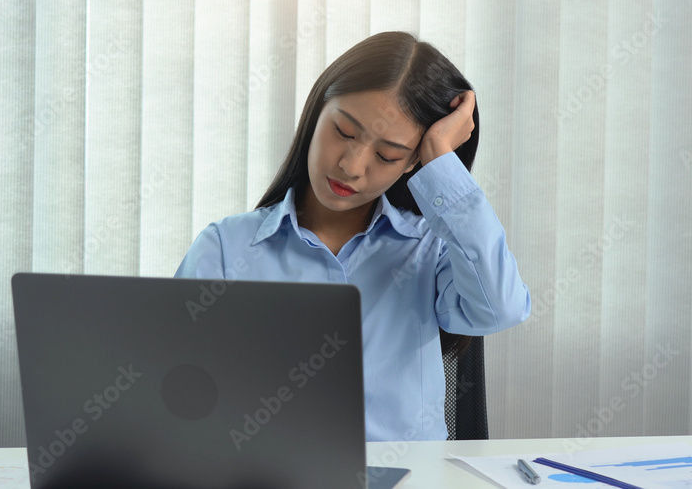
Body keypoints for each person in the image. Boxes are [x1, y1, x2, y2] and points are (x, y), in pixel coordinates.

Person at [175, 31, 531, 441]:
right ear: (319, 109)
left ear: (413, 161)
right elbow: (178, 393)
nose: (352, 165)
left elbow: (501, 308)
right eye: (344, 131)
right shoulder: (227, 247)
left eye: (388, 155)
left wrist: (442, 160)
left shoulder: (429, 251)